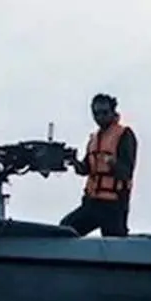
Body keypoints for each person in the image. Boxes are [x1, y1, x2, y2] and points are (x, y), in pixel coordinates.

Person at [59, 93, 137, 236]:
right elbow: (85, 169)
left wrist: (112, 163)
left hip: (114, 205)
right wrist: (74, 162)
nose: (100, 117)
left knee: (113, 242)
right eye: (96, 113)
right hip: (92, 202)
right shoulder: (94, 138)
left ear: (113, 112)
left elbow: (127, 173)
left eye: (104, 112)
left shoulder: (124, 134)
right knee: (66, 228)